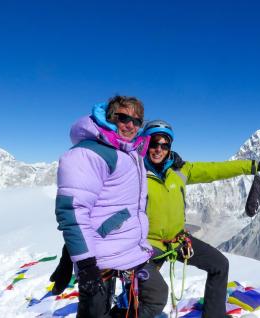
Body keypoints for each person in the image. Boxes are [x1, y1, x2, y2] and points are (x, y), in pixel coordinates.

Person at [52, 118, 260, 318]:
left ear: (170, 147)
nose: (158, 149)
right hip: (144, 246)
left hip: (178, 240)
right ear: (144, 143)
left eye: (164, 144)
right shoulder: (133, 171)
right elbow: (95, 211)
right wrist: (69, 256)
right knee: (149, 296)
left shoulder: (180, 170)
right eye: (154, 143)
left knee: (219, 265)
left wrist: (253, 166)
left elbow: (215, 169)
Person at [54, 96, 167, 318]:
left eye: (137, 121)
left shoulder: (131, 153)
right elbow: (73, 211)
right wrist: (85, 264)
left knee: (155, 296)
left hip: (132, 249)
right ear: (109, 118)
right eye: (123, 117)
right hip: (99, 257)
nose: (130, 125)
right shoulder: (89, 153)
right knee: (95, 312)